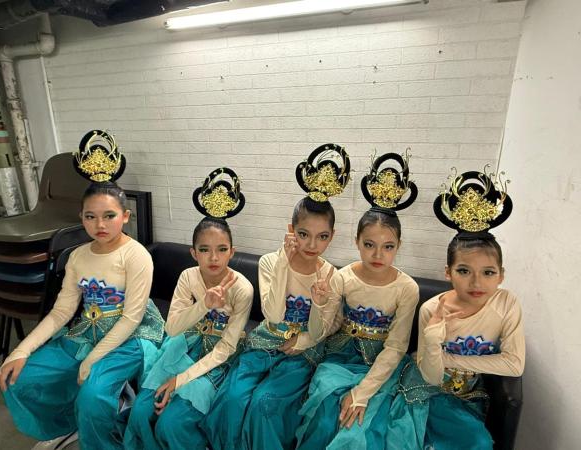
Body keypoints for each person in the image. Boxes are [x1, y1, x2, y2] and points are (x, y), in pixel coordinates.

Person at [0, 130, 165, 450]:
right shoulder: (77, 256)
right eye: (91, 216)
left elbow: (131, 317)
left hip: (133, 335)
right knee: (19, 378)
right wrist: (21, 351)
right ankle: (66, 426)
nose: (100, 225)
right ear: (82, 218)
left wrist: (94, 359)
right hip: (88, 330)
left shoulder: (136, 255)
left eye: (109, 216)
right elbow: (62, 311)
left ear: (125, 217)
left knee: (94, 394)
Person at [202, 144, 351, 450]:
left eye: (322, 237)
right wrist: (284, 261)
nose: (312, 245)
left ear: (332, 236)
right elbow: (272, 315)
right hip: (265, 340)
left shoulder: (332, 275)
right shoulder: (271, 262)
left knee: (265, 402)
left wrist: (308, 330)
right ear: (291, 230)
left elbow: (326, 326)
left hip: (302, 350)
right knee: (233, 399)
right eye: (304, 234)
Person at [388, 167, 525, 450]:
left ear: (501, 275)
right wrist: (433, 340)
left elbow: (514, 364)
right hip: (424, 389)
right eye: (464, 271)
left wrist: (450, 358)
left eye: (488, 272)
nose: (476, 282)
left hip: (468, 395)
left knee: (477, 442)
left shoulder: (506, 303)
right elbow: (431, 375)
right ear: (447, 272)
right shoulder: (431, 309)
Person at [296, 151, 420, 450]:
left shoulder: (407, 288)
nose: (378, 254)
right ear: (356, 242)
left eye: (388, 246)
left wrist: (361, 393)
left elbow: (396, 346)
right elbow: (328, 327)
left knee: (363, 426)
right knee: (326, 413)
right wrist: (318, 306)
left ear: (399, 246)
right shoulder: (343, 276)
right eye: (369, 244)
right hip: (340, 355)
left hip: (382, 363)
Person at [124, 167, 253, 450]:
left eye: (222, 249)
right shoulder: (188, 277)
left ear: (232, 252)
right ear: (194, 253)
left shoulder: (242, 288)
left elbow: (226, 348)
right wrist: (204, 304)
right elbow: (172, 328)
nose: (213, 257)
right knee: (142, 412)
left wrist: (179, 381)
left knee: (172, 423)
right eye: (204, 250)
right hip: (183, 345)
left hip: (218, 359)